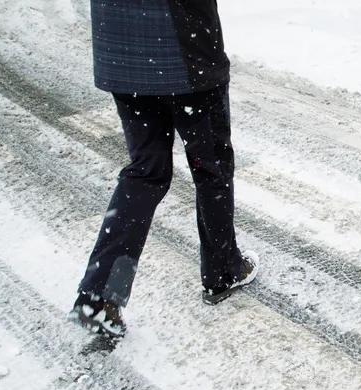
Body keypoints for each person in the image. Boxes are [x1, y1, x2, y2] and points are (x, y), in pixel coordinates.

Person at [69, 0, 257, 339]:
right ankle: (222, 271)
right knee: (210, 167)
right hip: (186, 54)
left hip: (122, 54)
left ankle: (99, 295)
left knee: (146, 172)